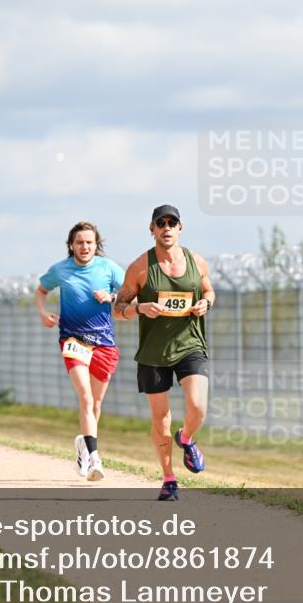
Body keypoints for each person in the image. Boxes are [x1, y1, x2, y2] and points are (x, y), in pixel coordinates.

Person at [114, 205, 215, 501]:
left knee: (197, 406)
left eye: (172, 222)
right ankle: (169, 478)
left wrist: (206, 303)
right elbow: (117, 311)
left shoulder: (196, 262)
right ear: (152, 229)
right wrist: (139, 308)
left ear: (180, 228)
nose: (167, 227)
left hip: (190, 344)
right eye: (161, 223)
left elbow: (209, 291)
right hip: (153, 352)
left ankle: (186, 439)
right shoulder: (140, 268)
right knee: (161, 419)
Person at [36, 222, 125, 482]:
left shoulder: (108, 268)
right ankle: (95, 458)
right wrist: (43, 313)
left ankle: (84, 446)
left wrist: (111, 297)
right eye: (79, 242)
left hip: (104, 343)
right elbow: (41, 290)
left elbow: (131, 293)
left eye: (89, 242)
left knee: (95, 405)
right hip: (73, 341)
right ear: (71, 245)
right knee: (85, 398)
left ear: (96, 245)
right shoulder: (61, 270)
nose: (84, 247)